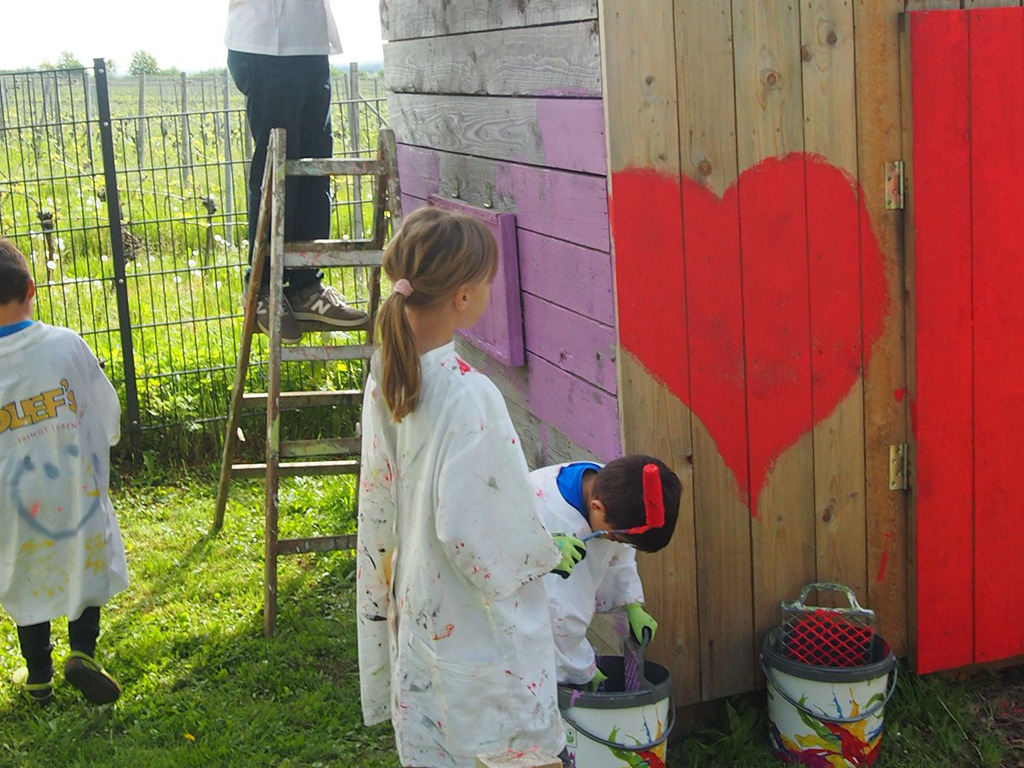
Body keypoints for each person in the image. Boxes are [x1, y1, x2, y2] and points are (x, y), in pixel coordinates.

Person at [356, 207, 587, 768]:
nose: (491, 289)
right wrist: (545, 553)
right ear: (462, 297)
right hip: (476, 631)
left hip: (419, 611)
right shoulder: (468, 395)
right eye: (488, 280)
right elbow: (475, 529)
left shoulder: (391, 367)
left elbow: (382, 500)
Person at [0, 239, 127, 705]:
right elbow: (105, 411)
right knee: (83, 560)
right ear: (31, 288)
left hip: (11, 499)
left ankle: (37, 675)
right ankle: (83, 653)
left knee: (23, 569)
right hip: (74, 486)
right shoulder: (65, 344)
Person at [225, 0, 367, 343]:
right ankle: (263, 289)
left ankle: (306, 286)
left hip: (311, 41)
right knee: (276, 170)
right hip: (265, 42)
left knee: (314, 170)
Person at [531, 455, 682, 689]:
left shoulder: (610, 487)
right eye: (614, 536)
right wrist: (582, 671)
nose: (614, 541)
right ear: (597, 508)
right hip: (518, 619)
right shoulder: (559, 524)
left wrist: (632, 604)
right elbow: (560, 615)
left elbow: (619, 552)